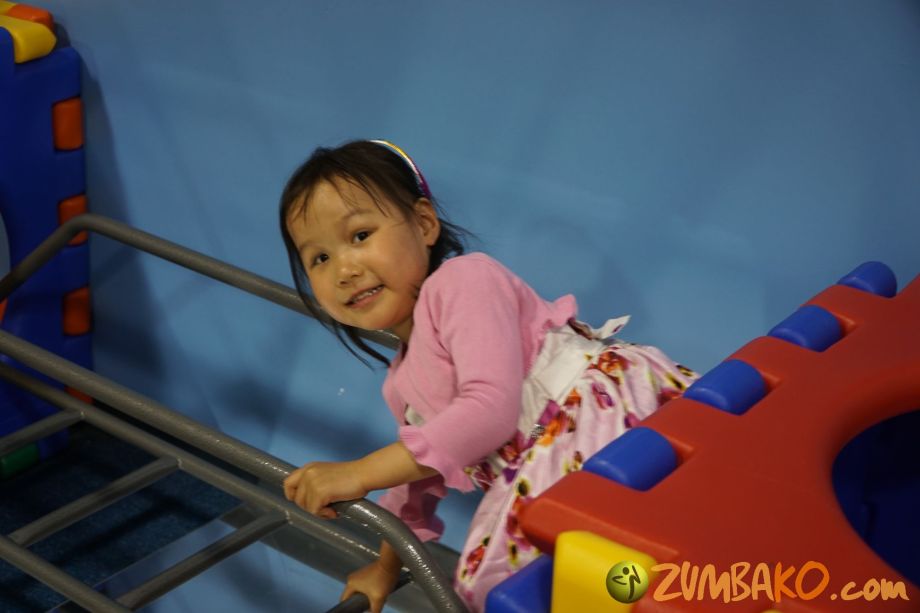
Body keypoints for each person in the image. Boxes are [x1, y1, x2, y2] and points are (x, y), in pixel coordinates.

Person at [279, 139, 696, 612]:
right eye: (319, 258)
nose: (344, 270)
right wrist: (385, 567)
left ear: (424, 223)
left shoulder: (462, 281)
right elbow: (415, 485)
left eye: (359, 235)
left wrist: (358, 472)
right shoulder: (400, 384)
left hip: (589, 423)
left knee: (496, 582)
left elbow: (488, 410)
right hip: (546, 463)